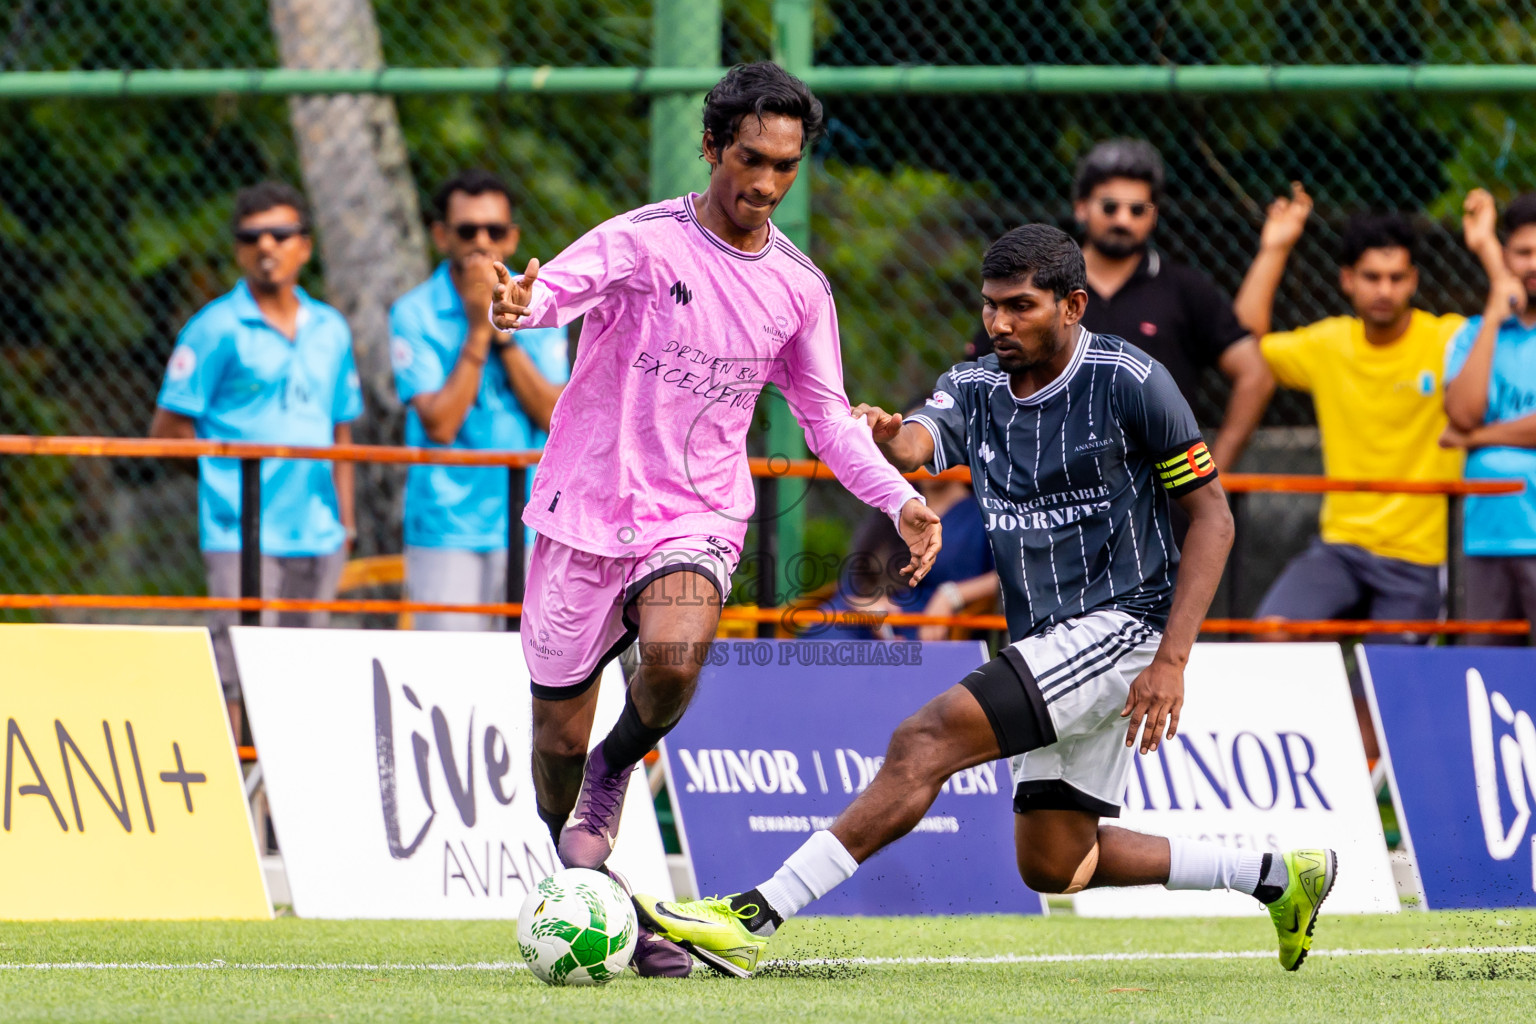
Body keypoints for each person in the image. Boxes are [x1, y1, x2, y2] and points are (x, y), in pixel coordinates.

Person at [636, 224, 1334, 978]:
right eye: (991, 306)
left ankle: (753, 916)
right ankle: (1274, 874)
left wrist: (1171, 660)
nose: (999, 323)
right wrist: (883, 433)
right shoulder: (975, 386)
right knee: (1056, 862)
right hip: (1044, 641)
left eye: (1020, 307)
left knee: (924, 739)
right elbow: (917, 444)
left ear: (1072, 305)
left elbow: (1214, 518)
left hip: (1125, 626)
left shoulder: (1132, 382)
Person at [488, 62, 942, 977]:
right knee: (553, 749)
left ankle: (618, 772)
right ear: (712, 147)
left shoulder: (800, 289)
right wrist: (518, 305)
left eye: (785, 164)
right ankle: (601, 893)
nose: (766, 183)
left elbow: (826, 418)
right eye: (750, 158)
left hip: (694, 515)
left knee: (676, 654)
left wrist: (900, 499)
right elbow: (553, 293)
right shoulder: (645, 243)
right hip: (582, 515)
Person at [150, 182, 362, 741]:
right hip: (240, 533)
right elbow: (168, 429)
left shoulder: (332, 329)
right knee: (237, 676)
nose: (266, 245)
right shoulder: (213, 327)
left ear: (305, 246)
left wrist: (346, 521)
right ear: (239, 249)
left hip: (318, 532)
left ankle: (284, 819)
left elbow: (342, 426)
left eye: (280, 233)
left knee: (301, 676)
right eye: (251, 236)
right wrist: (228, 481)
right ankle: (240, 813)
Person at [1239, 211, 1465, 631]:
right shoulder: (1328, 343)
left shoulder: (1449, 340)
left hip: (1417, 559)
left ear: (1413, 280)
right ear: (1347, 279)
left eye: (1396, 278)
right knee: (1270, 636)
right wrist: (1275, 247)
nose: (1385, 289)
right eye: (1372, 276)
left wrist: (1488, 246)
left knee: (1386, 690)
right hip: (1340, 549)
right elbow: (1244, 342)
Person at [390, 170, 569, 631]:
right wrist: (476, 327)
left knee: (534, 672)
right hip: (445, 525)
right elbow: (441, 424)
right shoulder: (413, 312)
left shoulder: (543, 303)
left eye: (494, 230)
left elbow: (555, 414)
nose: (481, 242)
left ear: (512, 238)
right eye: (467, 230)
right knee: (451, 676)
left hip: (533, 522)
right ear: (441, 235)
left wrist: (503, 329)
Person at [1072, 139, 1277, 473]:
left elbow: (1255, 374)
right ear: (1081, 207)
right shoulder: (1044, 290)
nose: (1123, 220)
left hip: (1163, 500)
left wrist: (1213, 474)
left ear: (1153, 216)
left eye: (1138, 210)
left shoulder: (1184, 289)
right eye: (1110, 207)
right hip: (1058, 496)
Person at [1443, 189, 1536, 643]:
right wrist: (1494, 316)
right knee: (1482, 670)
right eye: (1523, 252)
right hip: (1485, 537)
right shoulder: (1473, 333)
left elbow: (1465, 430)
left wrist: (1475, 439)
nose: (1534, 264)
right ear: (1506, 257)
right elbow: (1461, 413)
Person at [819, 472, 995, 642]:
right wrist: (867, 605)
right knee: (826, 630)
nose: (928, 462)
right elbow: (858, 571)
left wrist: (952, 594)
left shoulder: (984, 515)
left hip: (924, 623)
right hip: (867, 614)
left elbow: (1007, 574)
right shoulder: (895, 505)